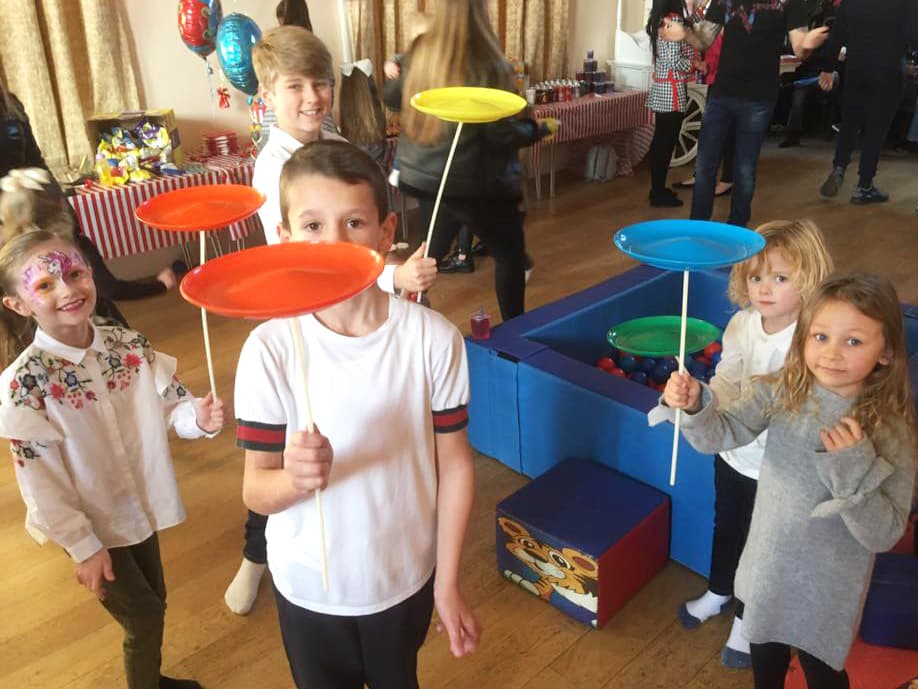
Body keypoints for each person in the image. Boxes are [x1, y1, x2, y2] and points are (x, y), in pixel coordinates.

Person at [235, 140, 480, 689]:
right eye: (313, 225)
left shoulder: (433, 340)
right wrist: (294, 481)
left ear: (386, 233)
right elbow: (256, 489)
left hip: (403, 578)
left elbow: (457, 465)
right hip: (307, 588)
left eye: (353, 222)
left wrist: (447, 583)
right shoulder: (269, 348)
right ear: (284, 237)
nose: (335, 243)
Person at [227, 26, 439, 617]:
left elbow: (352, 238)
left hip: (345, 315)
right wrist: (391, 277)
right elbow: (320, 263)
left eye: (320, 82)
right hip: (297, 322)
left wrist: (390, 264)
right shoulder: (275, 171)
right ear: (267, 93)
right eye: (295, 85)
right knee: (281, 441)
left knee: (328, 431)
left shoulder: (334, 142)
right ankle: (256, 551)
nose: (313, 97)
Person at [656, 273, 916, 689]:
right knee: (766, 660)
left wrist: (852, 468)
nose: (832, 353)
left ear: (885, 351)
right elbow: (721, 434)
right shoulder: (783, 389)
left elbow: (883, 534)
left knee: (823, 674)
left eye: (853, 341)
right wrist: (695, 404)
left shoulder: (892, 430)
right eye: (820, 336)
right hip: (768, 567)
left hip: (829, 586)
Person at [0, 229, 225, 689]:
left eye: (76, 273)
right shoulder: (23, 386)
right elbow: (40, 484)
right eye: (44, 285)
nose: (68, 289)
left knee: (155, 599)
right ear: (17, 304)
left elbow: (171, 405)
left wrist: (196, 417)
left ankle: (153, 678)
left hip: (137, 503)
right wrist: (83, 548)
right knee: (142, 617)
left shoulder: (127, 346)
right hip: (92, 522)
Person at [675, 219, 833, 670]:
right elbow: (727, 378)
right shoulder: (743, 324)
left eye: (780, 278)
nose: (765, 288)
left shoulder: (813, 337)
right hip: (734, 454)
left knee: (762, 551)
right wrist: (701, 396)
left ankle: (748, 621)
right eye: (756, 276)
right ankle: (719, 590)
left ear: (808, 278)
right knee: (728, 526)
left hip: (781, 470)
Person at [383, 0, 554, 321]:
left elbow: (392, 96)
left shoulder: (423, 50)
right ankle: (515, 338)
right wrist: (535, 129)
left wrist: (408, 70)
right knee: (511, 257)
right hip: (470, 179)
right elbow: (499, 133)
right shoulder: (486, 61)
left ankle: (398, 320)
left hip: (425, 175)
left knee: (430, 253)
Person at [665, 0, 830, 227]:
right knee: (704, 165)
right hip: (722, 93)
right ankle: (698, 227)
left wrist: (807, 45)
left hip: (759, 99)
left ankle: (737, 229)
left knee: (744, 168)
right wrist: (684, 34)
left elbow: (798, 46)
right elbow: (704, 39)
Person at [0, 168, 177, 329]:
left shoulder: (7, 259)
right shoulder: (75, 247)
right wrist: (160, 285)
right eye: (44, 286)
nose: (66, 292)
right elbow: (110, 289)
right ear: (63, 207)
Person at [818, 0, 913, 204]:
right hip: (888, 70)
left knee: (850, 122)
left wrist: (827, 67)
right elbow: (914, 35)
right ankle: (864, 186)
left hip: (856, 68)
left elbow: (836, 34)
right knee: (876, 129)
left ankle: (839, 167)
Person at [645, 0, 704, 207]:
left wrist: (698, 11)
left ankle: (658, 188)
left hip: (662, 87)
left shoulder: (659, 19)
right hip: (672, 89)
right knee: (665, 142)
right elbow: (674, 60)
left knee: (660, 141)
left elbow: (687, 28)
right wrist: (696, 65)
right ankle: (657, 192)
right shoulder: (674, 19)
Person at [674, 30, 736, 197]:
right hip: (715, 78)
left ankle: (727, 179)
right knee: (708, 131)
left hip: (729, 81)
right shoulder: (716, 20)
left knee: (729, 132)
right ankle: (700, 176)